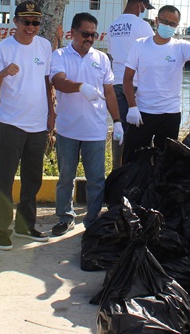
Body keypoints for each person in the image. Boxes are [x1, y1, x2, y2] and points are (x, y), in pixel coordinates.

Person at [0, 1, 54, 250]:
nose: (31, 27)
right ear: (15, 21)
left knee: (32, 179)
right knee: (5, 178)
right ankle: (1, 229)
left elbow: (47, 82)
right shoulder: (2, 49)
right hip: (11, 123)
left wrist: (51, 112)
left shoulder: (44, 45)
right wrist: (3, 73)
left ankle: (25, 226)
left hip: (38, 124)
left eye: (36, 22)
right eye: (26, 21)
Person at [50, 13, 123, 236]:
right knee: (66, 177)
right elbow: (58, 82)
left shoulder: (102, 58)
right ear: (72, 32)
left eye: (93, 34)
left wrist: (117, 121)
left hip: (95, 130)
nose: (89, 38)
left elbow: (109, 92)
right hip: (68, 129)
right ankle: (65, 218)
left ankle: (92, 221)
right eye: (85, 34)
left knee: (96, 180)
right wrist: (81, 86)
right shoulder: (60, 55)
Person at [122, 5, 190, 164]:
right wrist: (132, 107)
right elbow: (127, 79)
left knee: (166, 162)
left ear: (177, 26)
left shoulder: (180, 46)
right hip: (143, 112)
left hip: (170, 114)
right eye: (164, 22)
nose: (168, 26)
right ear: (156, 21)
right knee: (133, 159)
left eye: (172, 24)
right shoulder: (140, 45)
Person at [106, 0, 154, 168]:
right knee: (140, 133)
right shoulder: (142, 26)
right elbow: (151, 55)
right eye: (145, 7)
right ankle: (136, 171)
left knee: (119, 129)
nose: (144, 11)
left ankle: (117, 170)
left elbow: (111, 55)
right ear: (139, 3)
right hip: (136, 85)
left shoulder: (113, 25)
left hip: (116, 83)